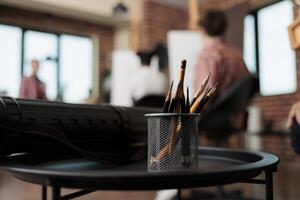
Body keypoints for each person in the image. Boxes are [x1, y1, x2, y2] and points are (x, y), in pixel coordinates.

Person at [194, 10, 249, 97]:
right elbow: (248, 88)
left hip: (212, 110)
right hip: (237, 110)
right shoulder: (238, 55)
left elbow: (202, 97)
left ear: (203, 30)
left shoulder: (206, 55)